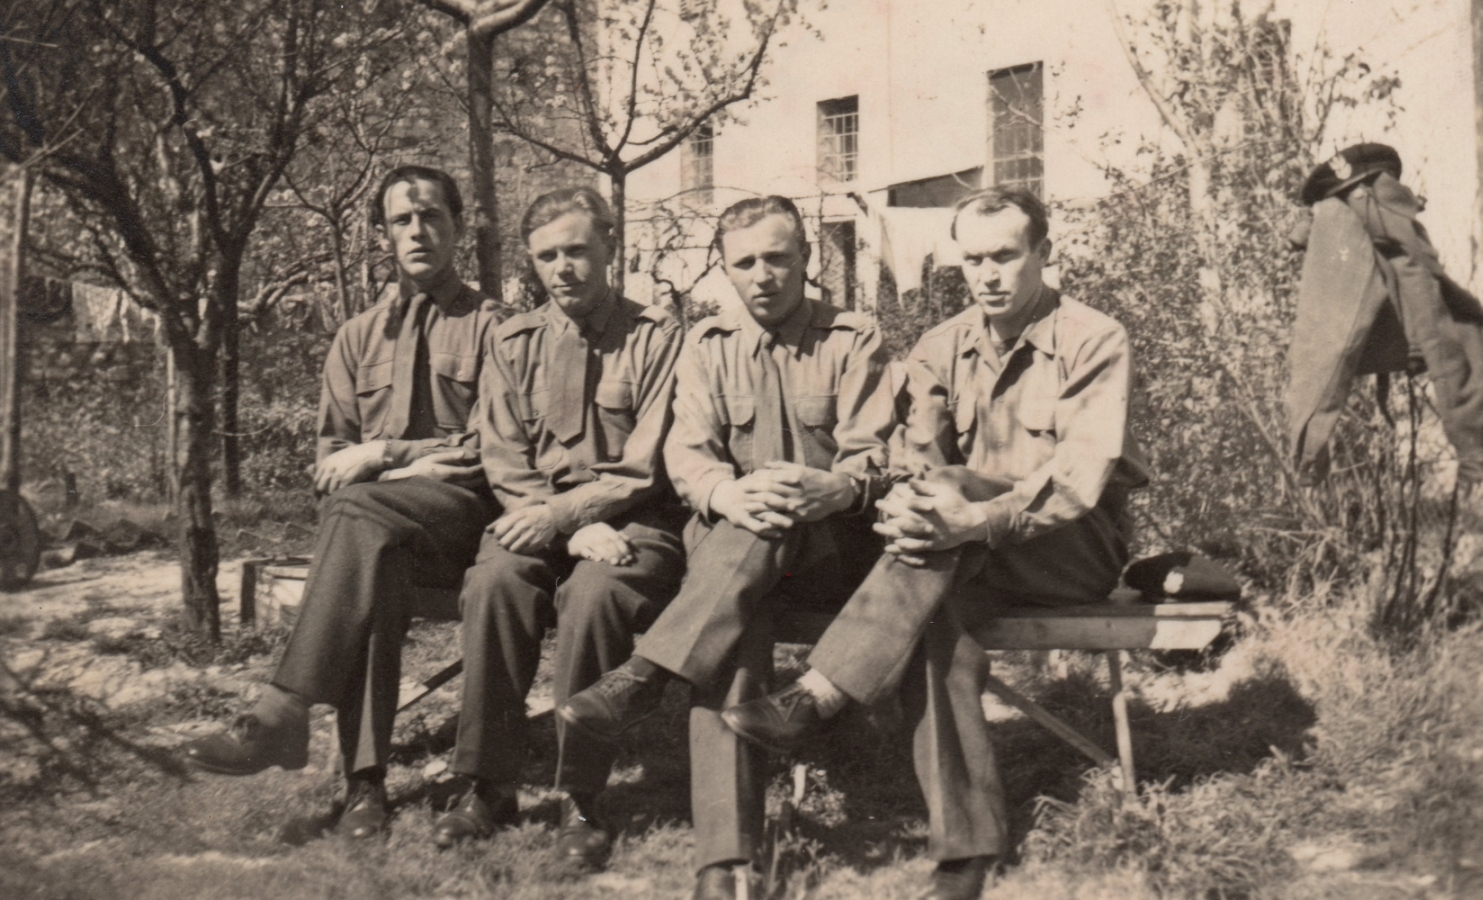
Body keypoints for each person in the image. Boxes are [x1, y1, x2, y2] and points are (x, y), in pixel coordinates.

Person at [720, 187, 1151, 900]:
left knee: (957, 488)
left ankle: (821, 692)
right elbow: (907, 455)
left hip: (1069, 550)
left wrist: (964, 514)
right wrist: (913, 506)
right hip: (953, 556)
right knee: (935, 627)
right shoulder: (939, 346)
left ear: (1043, 253)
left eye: (1005, 256)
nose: (987, 275)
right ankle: (967, 848)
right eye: (973, 259)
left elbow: (1076, 480)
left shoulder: (1092, 337)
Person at [558, 196, 896, 900]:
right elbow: (689, 456)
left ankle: (647, 674)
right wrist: (723, 494)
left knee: (750, 542)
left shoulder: (852, 340)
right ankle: (725, 864)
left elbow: (875, 452)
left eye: (777, 257)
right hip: (735, 564)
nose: (763, 275)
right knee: (734, 614)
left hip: (832, 557)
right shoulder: (705, 347)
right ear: (723, 270)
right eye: (744, 262)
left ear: (807, 258)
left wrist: (830, 488)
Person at [183, 166, 506, 840]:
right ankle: (365, 788)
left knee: (360, 514)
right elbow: (331, 470)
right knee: (369, 548)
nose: (418, 230)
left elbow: (489, 452)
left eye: (431, 215)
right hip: (378, 537)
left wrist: (383, 455)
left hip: (467, 530)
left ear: (455, 225)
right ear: (383, 235)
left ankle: (283, 712)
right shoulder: (355, 338)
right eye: (401, 219)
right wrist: (407, 459)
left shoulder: (495, 328)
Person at [427, 188, 687, 866]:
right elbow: (504, 458)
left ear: (610, 248)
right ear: (532, 264)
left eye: (577, 250)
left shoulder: (657, 338)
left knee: (596, 596)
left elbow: (645, 465)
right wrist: (563, 525)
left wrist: (575, 518)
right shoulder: (512, 343)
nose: (563, 267)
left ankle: (581, 796)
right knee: (495, 583)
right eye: (547, 256)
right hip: (535, 517)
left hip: (635, 522)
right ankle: (486, 785)